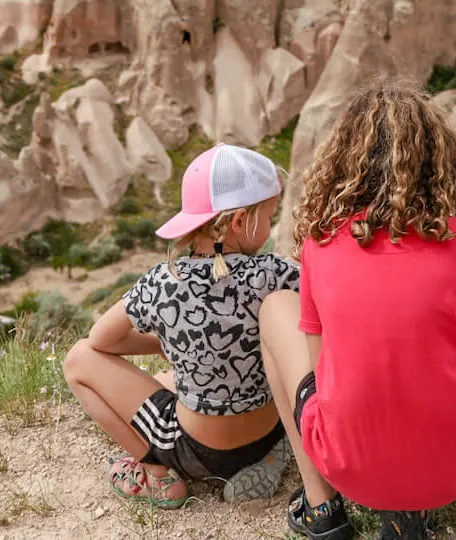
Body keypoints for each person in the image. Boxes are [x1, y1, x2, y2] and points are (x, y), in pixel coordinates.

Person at [259, 84, 456, 540]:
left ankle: (322, 512)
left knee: (274, 309)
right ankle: (410, 512)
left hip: (349, 464)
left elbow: (324, 376)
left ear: (341, 163)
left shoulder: (322, 246)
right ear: (441, 160)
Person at [64, 144, 299, 508]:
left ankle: (158, 477)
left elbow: (99, 340)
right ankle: (272, 456)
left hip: (201, 452)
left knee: (78, 358)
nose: (270, 228)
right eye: (269, 217)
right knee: (166, 382)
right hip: (271, 428)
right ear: (239, 222)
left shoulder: (163, 281)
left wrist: (169, 341)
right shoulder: (278, 273)